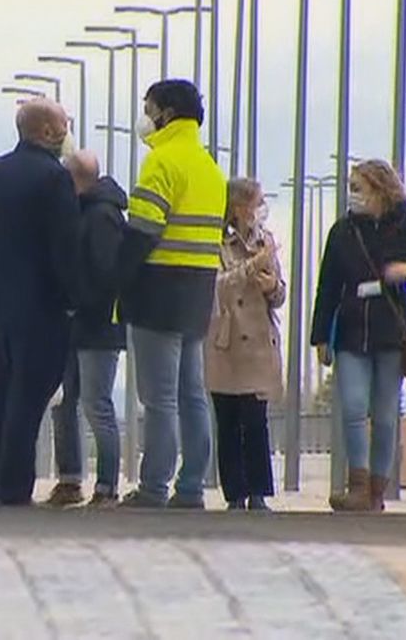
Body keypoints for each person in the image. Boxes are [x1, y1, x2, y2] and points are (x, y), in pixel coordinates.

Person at [114, 79, 226, 510]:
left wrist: (117, 277)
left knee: (159, 399)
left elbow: (143, 230)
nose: (145, 118)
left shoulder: (161, 161)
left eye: (149, 109)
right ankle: (192, 485)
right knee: (192, 395)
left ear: (167, 113)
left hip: (158, 290)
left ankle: (154, 486)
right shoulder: (209, 167)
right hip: (198, 291)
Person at [0, 98, 80, 506]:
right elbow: (64, 245)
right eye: (65, 124)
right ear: (47, 131)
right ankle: (14, 487)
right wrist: (72, 297)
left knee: (1, 395)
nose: (67, 131)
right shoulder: (55, 178)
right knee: (28, 398)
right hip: (42, 305)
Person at [310, 159, 406, 513]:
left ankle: (376, 491)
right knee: (353, 407)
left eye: (358, 187)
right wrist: (320, 336)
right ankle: (358, 484)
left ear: (380, 190)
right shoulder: (343, 231)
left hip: (390, 331)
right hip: (351, 330)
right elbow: (328, 285)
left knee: (384, 415)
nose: (352, 195)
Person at [46, 150, 127, 508]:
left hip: (98, 325)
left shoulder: (101, 216)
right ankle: (70, 479)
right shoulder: (84, 213)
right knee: (67, 403)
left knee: (97, 404)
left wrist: (78, 300)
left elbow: (106, 274)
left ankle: (107, 486)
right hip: (78, 324)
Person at [205, 178, 285, 511]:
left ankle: (259, 491)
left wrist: (272, 287)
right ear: (238, 207)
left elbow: (280, 293)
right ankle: (234, 493)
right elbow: (218, 287)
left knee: (255, 418)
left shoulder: (266, 241)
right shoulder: (216, 243)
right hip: (226, 340)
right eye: (256, 203)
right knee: (228, 418)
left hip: (258, 344)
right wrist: (251, 266)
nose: (260, 209)